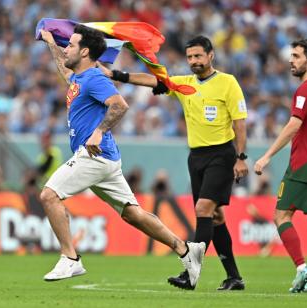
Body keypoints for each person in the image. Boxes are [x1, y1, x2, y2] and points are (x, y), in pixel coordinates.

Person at [38, 25, 205, 286]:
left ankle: (70, 258)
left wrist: (99, 131)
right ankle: (185, 250)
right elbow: (64, 68)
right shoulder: (79, 78)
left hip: (94, 155)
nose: (65, 48)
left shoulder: (94, 78)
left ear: (84, 52)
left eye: (70, 45)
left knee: (49, 195)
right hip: (106, 159)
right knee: (132, 214)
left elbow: (119, 105)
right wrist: (50, 41)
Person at [100, 35, 248, 291]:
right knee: (214, 217)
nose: (194, 61)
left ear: (211, 55)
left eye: (199, 56)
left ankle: (190, 274)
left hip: (222, 155)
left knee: (203, 209)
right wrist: (116, 74)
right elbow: (154, 81)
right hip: (197, 157)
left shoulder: (227, 83)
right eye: (190, 57)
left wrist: (241, 157)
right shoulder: (185, 84)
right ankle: (234, 277)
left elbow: (240, 122)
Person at [255, 39, 307, 293]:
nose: (291, 60)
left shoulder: (306, 89)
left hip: (303, 164)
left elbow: (294, 124)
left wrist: (267, 155)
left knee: (281, 216)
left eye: (296, 55)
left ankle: (302, 269)